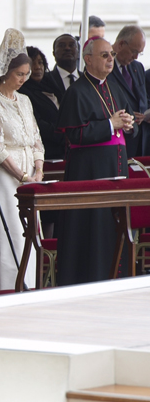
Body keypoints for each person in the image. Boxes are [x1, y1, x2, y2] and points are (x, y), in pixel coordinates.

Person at [56, 37, 135, 286]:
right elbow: (74, 134)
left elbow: (124, 118)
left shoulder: (114, 87)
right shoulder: (77, 92)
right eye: (104, 55)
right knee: (93, 229)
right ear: (88, 59)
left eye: (111, 54)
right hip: (89, 172)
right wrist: (111, 125)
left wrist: (128, 124)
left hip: (115, 169)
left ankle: (116, 278)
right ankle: (92, 278)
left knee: (113, 228)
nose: (111, 58)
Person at [0, 29, 44, 293]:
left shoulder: (26, 100)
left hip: (30, 173)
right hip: (7, 176)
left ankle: (29, 286)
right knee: (12, 238)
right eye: (19, 74)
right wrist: (20, 174)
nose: (23, 79)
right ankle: (8, 288)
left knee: (31, 236)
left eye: (26, 75)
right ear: (6, 71)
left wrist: (38, 168)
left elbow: (36, 138)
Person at [21, 46, 65, 162]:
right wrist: (63, 136)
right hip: (45, 152)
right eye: (32, 64)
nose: (37, 67)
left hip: (63, 150)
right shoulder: (23, 91)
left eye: (40, 63)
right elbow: (37, 122)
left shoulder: (51, 84)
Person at [109, 25, 146, 157]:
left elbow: (142, 97)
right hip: (119, 139)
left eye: (139, 53)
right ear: (121, 44)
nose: (136, 57)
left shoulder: (137, 67)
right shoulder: (105, 68)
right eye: (134, 51)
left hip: (141, 138)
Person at [43, 34, 81, 103]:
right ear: (54, 53)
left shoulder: (87, 79)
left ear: (78, 52)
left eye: (71, 45)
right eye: (62, 45)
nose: (67, 48)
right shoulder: (45, 80)